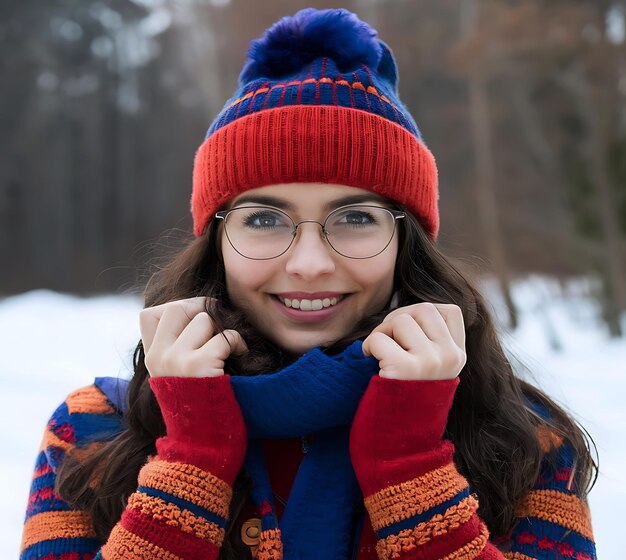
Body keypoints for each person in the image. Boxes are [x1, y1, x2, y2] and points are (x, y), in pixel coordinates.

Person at [20, 7, 597, 560]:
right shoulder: (91, 433)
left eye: (355, 218)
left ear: (406, 244)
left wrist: (410, 470)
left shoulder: (524, 441)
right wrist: (190, 461)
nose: (310, 264)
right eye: (265, 220)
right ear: (216, 242)